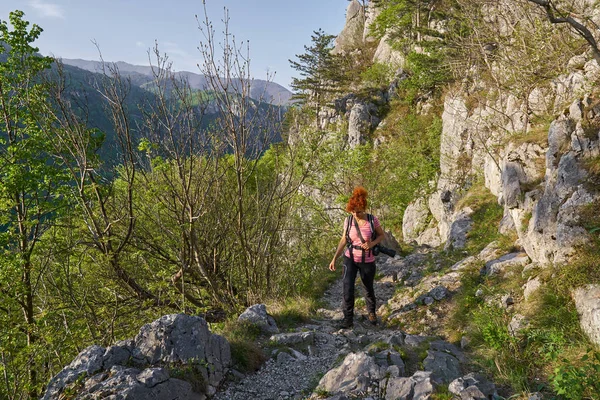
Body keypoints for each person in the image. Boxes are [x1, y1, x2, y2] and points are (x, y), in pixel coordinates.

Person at [329, 187, 385, 329]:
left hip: (367, 260)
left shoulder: (373, 220)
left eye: (358, 211)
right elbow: (343, 239)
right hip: (350, 258)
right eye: (353, 212)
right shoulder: (348, 221)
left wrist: (371, 243)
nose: (356, 214)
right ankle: (348, 319)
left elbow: (381, 235)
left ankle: (371, 313)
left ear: (364, 208)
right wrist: (334, 258)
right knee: (347, 288)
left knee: (367, 287)